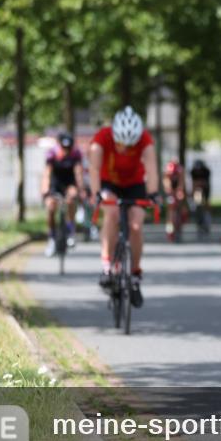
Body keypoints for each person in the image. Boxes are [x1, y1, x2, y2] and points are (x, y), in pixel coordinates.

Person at [88, 106, 161, 308]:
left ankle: (135, 273)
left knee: (136, 225)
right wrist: (95, 194)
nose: (124, 149)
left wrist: (153, 194)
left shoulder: (145, 139)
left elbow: (152, 169)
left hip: (134, 184)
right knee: (111, 214)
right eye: (120, 144)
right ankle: (106, 266)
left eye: (130, 145)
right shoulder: (102, 137)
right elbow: (94, 169)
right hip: (109, 183)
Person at [40, 132, 85, 256]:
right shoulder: (52, 154)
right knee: (51, 206)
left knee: (71, 199)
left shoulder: (76, 154)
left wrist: (80, 190)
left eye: (68, 148)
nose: (66, 151)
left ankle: (71, 231)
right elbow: (47, 173)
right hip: (55, 183)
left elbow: (78, 173)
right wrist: (45, 189)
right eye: (64, 148)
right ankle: (52, 238)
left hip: (69, 183)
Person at [162, 158, 186, 242]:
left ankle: (179, 225)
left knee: (179, 206)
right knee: (171, 209)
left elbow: (181, 182)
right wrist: (169, 191)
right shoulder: (168, 171)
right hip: (171, 189)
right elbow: (166, 182)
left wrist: (180, 191)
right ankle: (169, 229)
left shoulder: (180, 171)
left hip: (177, 188)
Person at [190, 159, 211, 235]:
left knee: (206, 206)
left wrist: (207, 199)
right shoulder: (193, 172)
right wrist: (193, 193)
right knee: (197, 205)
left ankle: (207, 223)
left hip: (205, 189)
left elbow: (207, 184)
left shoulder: (206, 171)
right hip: (197, 189)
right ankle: (199, 223)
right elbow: (193, 183)